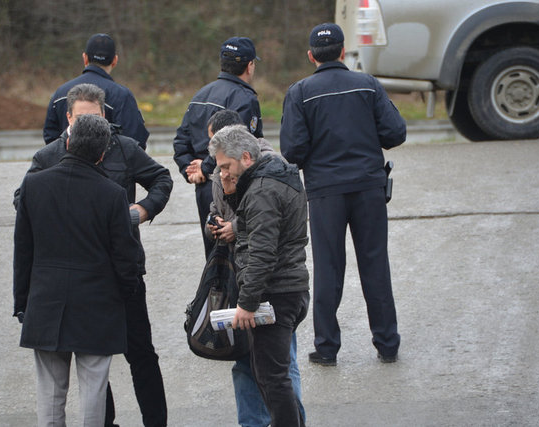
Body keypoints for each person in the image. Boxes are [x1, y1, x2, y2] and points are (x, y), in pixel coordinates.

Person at [17, 83, 172, 427]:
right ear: (68, 118)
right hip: (77, 279)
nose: (89, 124)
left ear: (104, 115)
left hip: (122, 272)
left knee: (140, 354)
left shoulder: (125, 148)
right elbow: (24, 203)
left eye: (95, 117)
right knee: (94, 362)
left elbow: (161, 178)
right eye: (81, 118)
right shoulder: (48, 157)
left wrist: (144, 208)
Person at [280, 23, 406, 366]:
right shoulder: (368, 85)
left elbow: (292, 150)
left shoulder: (300, 92)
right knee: (375, 265)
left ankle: (326, 347)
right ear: (342, 51)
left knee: (328, 269)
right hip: (369, 187)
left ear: (311, 56)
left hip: (325, 192)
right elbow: (395, 133)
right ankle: (387, 344)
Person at [205, 110, 305, 427]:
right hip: (288, 287)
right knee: (271, 375)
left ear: (246, 157)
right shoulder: (270, 178)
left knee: (273, 378)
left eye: (226, 167)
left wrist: (247, 304)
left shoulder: (262, 190)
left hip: (276, 291)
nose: (221, 174)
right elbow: (253, 229)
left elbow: (262, 252)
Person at [173, 36, 263, 260]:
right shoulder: (245, 98)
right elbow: (240, 146)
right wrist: (205, 168)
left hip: (204, 188)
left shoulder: (200, 95)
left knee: (214, 257)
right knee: (240, 257)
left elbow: (180, 141)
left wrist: (191, 170)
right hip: (232, 185)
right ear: (250, 65)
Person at [43, 33, 149, 148]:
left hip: (65, 158)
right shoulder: (122, 95)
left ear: (85, 58)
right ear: (115, 60)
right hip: (108, 160)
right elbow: (135, 141)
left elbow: (50, 137)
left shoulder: (60, 93)